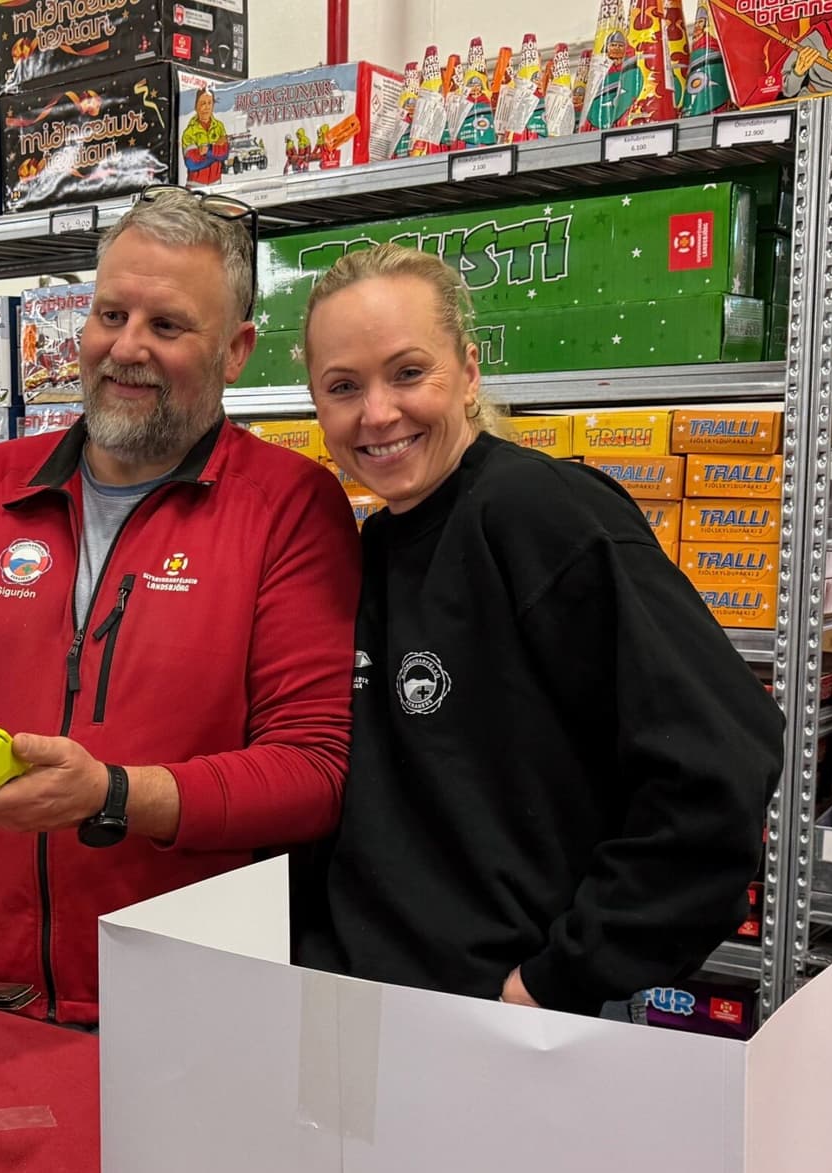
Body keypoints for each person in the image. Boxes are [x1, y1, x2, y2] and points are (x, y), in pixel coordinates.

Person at [0, 186, 361, 1024]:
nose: (126, 347)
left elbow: (312, 769)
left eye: (167, 326)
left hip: (196, 1012)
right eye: (110, 315)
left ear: (237, 350)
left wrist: (114, 794)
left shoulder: (288, 506)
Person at [290, 243, 784, 1013]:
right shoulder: (374, 545)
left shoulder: (539, 516)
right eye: (343, 386)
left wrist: (560, 978)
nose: (377, 413)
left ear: (470, 371)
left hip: (499, 1029)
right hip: (367, 1015)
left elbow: (719, 758)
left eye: (408, 372)